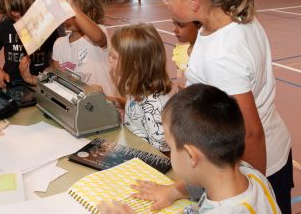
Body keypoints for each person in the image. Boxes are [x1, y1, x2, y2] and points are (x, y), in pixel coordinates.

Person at [157, 0, 292, 213]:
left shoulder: (222, 56)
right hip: (263, 156)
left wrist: (251, 193)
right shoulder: (235, 19)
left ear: (193, 1)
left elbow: (250, 133)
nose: (165, 2)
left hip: (253, 166)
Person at [98, 84, 280, 214]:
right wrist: (175, 190)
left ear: (191, 156)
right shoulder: (249, 174)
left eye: (170, 146)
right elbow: (205, 181)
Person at [108, 23, 173, 153]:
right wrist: (114, 101)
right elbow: (135, 108)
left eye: (114, 57)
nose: (109, 60)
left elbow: (162, 152)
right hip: (131, 148)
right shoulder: (134, 83)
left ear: (135, 64)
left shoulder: (154, 105)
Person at [43, 0, 116, 97]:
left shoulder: (99, 31)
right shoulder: (59, 43)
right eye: (65, 11)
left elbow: (98, 38)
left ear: (91, 13)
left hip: (104, 105)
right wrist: (32, 79)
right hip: (79, 107)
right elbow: (59, 80)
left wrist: (73, 7)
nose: (67, 17)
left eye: (71, 13)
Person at [170, 20, 202, 90]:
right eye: (174, 24)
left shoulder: (205, 56)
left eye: (181, 25)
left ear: (199, 26)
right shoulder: (181, 52)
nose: (175, 30)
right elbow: (180, 82)